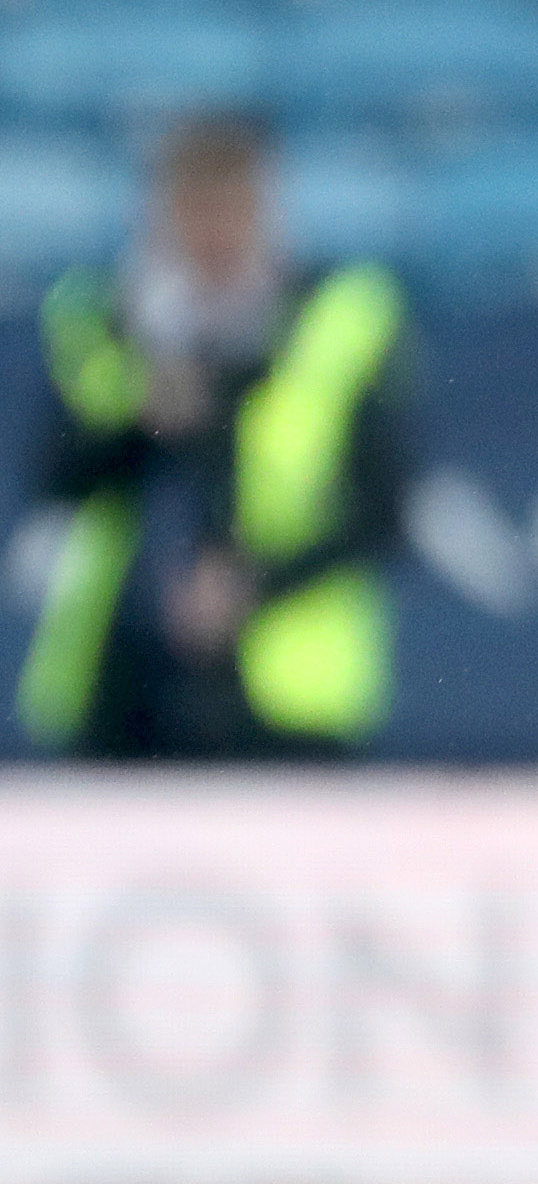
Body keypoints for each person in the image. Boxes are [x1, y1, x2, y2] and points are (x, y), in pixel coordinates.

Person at [17, 111, 411, 760]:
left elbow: (382, 511)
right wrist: (140, 420)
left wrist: (250, 586)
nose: (214, 230)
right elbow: (57, 480)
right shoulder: (100, 316)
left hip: (291, 693)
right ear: (157, 212)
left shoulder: (340, 315)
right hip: (116, 681)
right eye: (194, 204)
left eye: (232, 204)